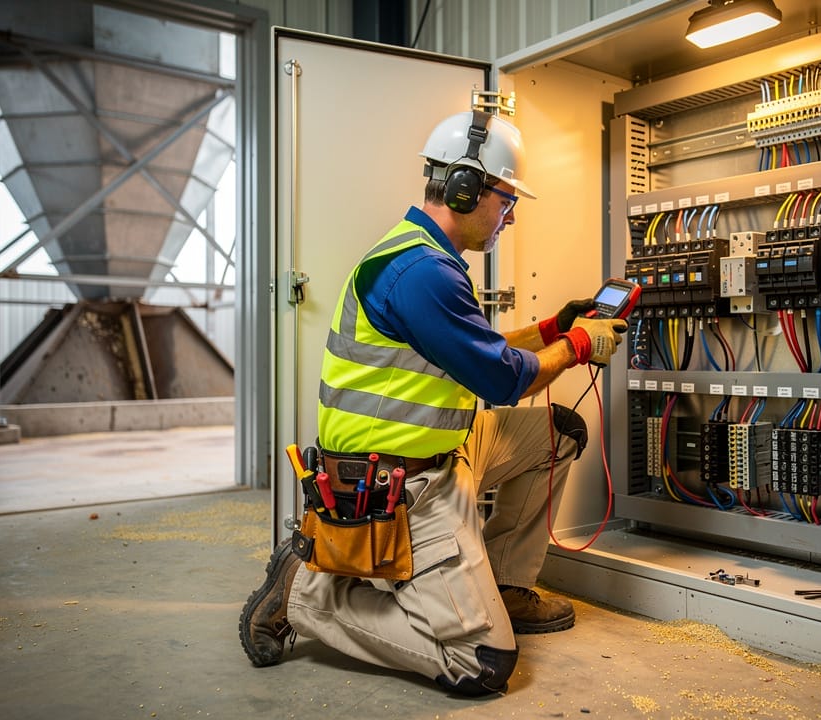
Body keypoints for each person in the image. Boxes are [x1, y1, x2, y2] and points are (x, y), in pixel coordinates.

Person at [239, 109, 628, 696]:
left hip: (443, 450)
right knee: (482, 663)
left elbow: (478, 352)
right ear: (465, 189)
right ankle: (306, 598)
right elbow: (502, 380)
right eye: (505, 198)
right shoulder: (423, 273)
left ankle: (501, 583)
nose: (511, 214)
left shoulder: (423, 255)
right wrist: (576, 346)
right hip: (400, 485)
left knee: (561, 431)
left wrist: (553, 328)